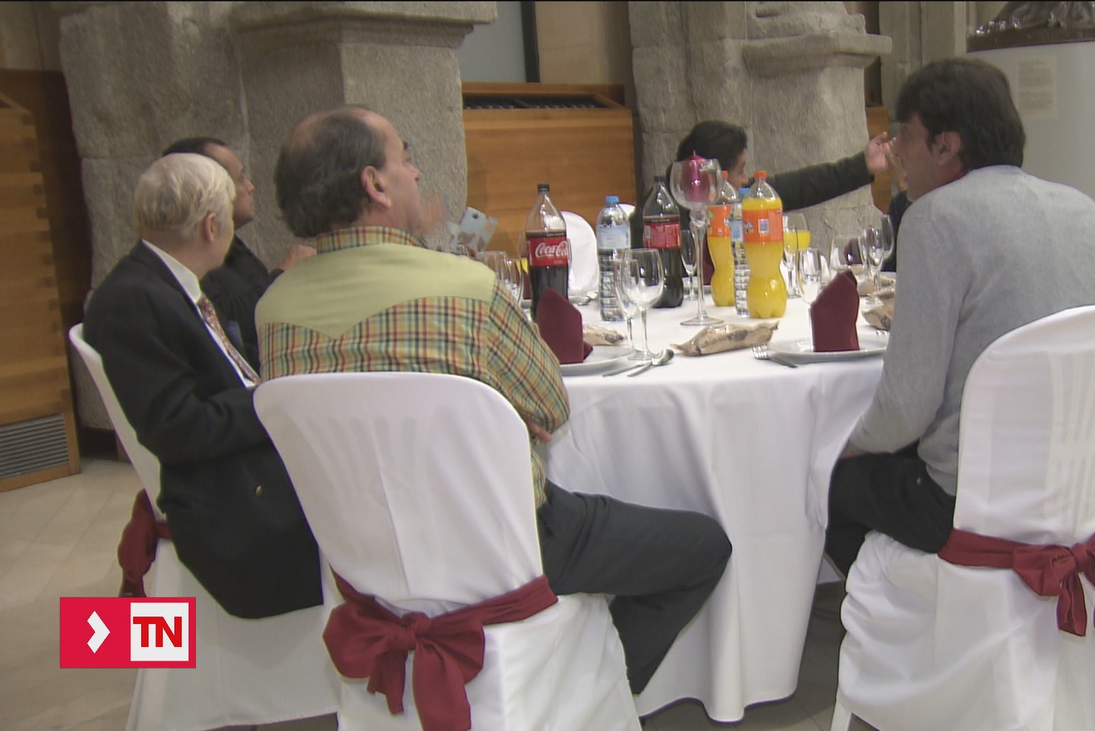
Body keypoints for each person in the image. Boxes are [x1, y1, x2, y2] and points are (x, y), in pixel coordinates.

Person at [256, 106, 732, 695]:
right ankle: (591, 695)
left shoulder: (271, 309)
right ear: (375, 185)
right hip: (497, 546)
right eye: (405, 158)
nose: (417, 173)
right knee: (703, 547)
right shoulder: (464, 290)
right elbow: (552, 410)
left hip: (363, 562)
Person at [824, 58, 1095, 573]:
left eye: (903, 135)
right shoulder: (1084, 209)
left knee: (822, 478)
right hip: (1082, 487)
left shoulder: (936, 220)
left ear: (946, 145)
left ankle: (901, 618)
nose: (896, 151)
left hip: (971, 505)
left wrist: (839, 445)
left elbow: (906, 409)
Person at [83, 153, 321, 618]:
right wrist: (276, 401)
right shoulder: (131, 301)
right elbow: (177, 426)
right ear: (213, 226)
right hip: (229, 503)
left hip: (235, 468)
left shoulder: (164, 283)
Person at [630, 120, 891, 280]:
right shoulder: (657, 219)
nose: (746, 180)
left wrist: (862, 165)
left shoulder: (740, 199)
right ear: (714, 176)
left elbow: (803, 186)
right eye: (741, 170)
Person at [161, 137, 316, 369]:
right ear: (210, 190)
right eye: (240, 178)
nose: (250, 186)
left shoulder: (232, 246)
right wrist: (283, 275)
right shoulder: (187, 258)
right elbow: (229, 328)